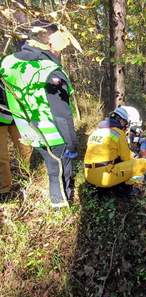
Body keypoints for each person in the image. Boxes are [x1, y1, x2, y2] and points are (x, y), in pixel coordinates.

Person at [0, 20, 80, 208]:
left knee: (50, 165)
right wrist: (73, 144)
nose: (60, 51)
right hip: (53, 134)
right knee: (60, 168)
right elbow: (62, 116)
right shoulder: (51, 71)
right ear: (50, 43)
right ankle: (61, 204)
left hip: (27, 131)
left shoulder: (8, 62)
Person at [84, 106, 146, 194]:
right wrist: (136, 158)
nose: (126, 127)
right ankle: (126, 188)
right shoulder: (118, 133)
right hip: (105, 178)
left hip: (88, 176)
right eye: (126, 124)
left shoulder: (96, 132)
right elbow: (126, 159)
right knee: (143, 163)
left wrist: (132, 154)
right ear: (121, 121)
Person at [0, 84, 31, 197]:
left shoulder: (7, 68)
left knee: (25, 149)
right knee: (1, 155)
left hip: (17, 116)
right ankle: (4, 189)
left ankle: (29, 176)